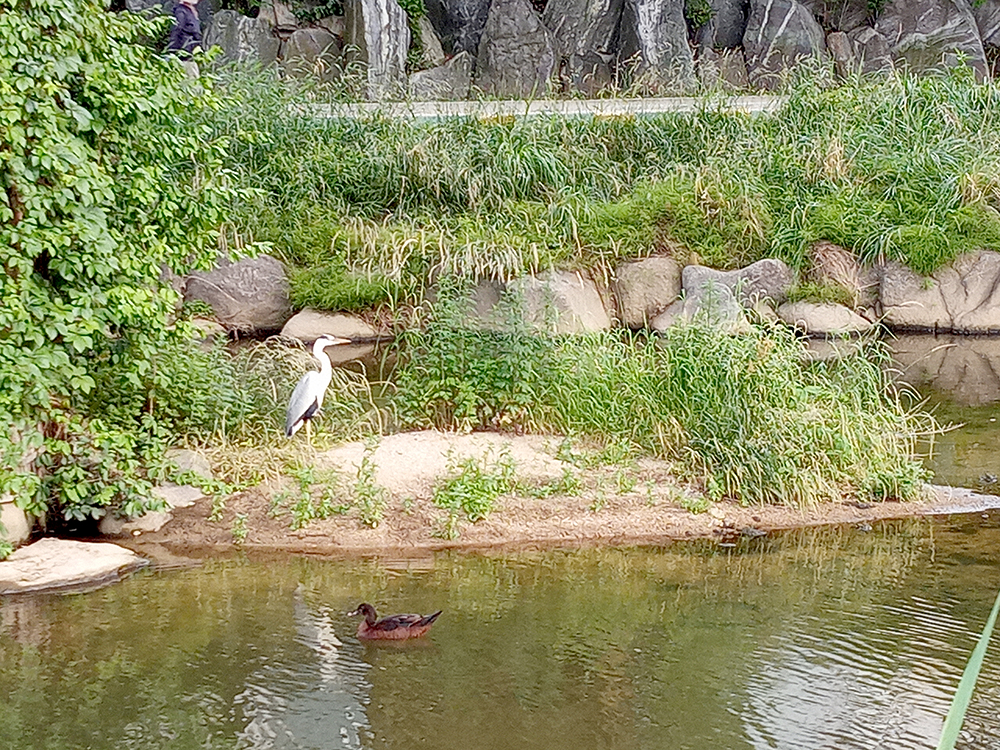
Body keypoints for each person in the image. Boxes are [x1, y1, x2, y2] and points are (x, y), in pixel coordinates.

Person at [166, 0, 202, 74]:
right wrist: (172, 51)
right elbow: (177, 31)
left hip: (190, 54)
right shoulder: (181, 11)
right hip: (183, 56)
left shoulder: (190, 11)